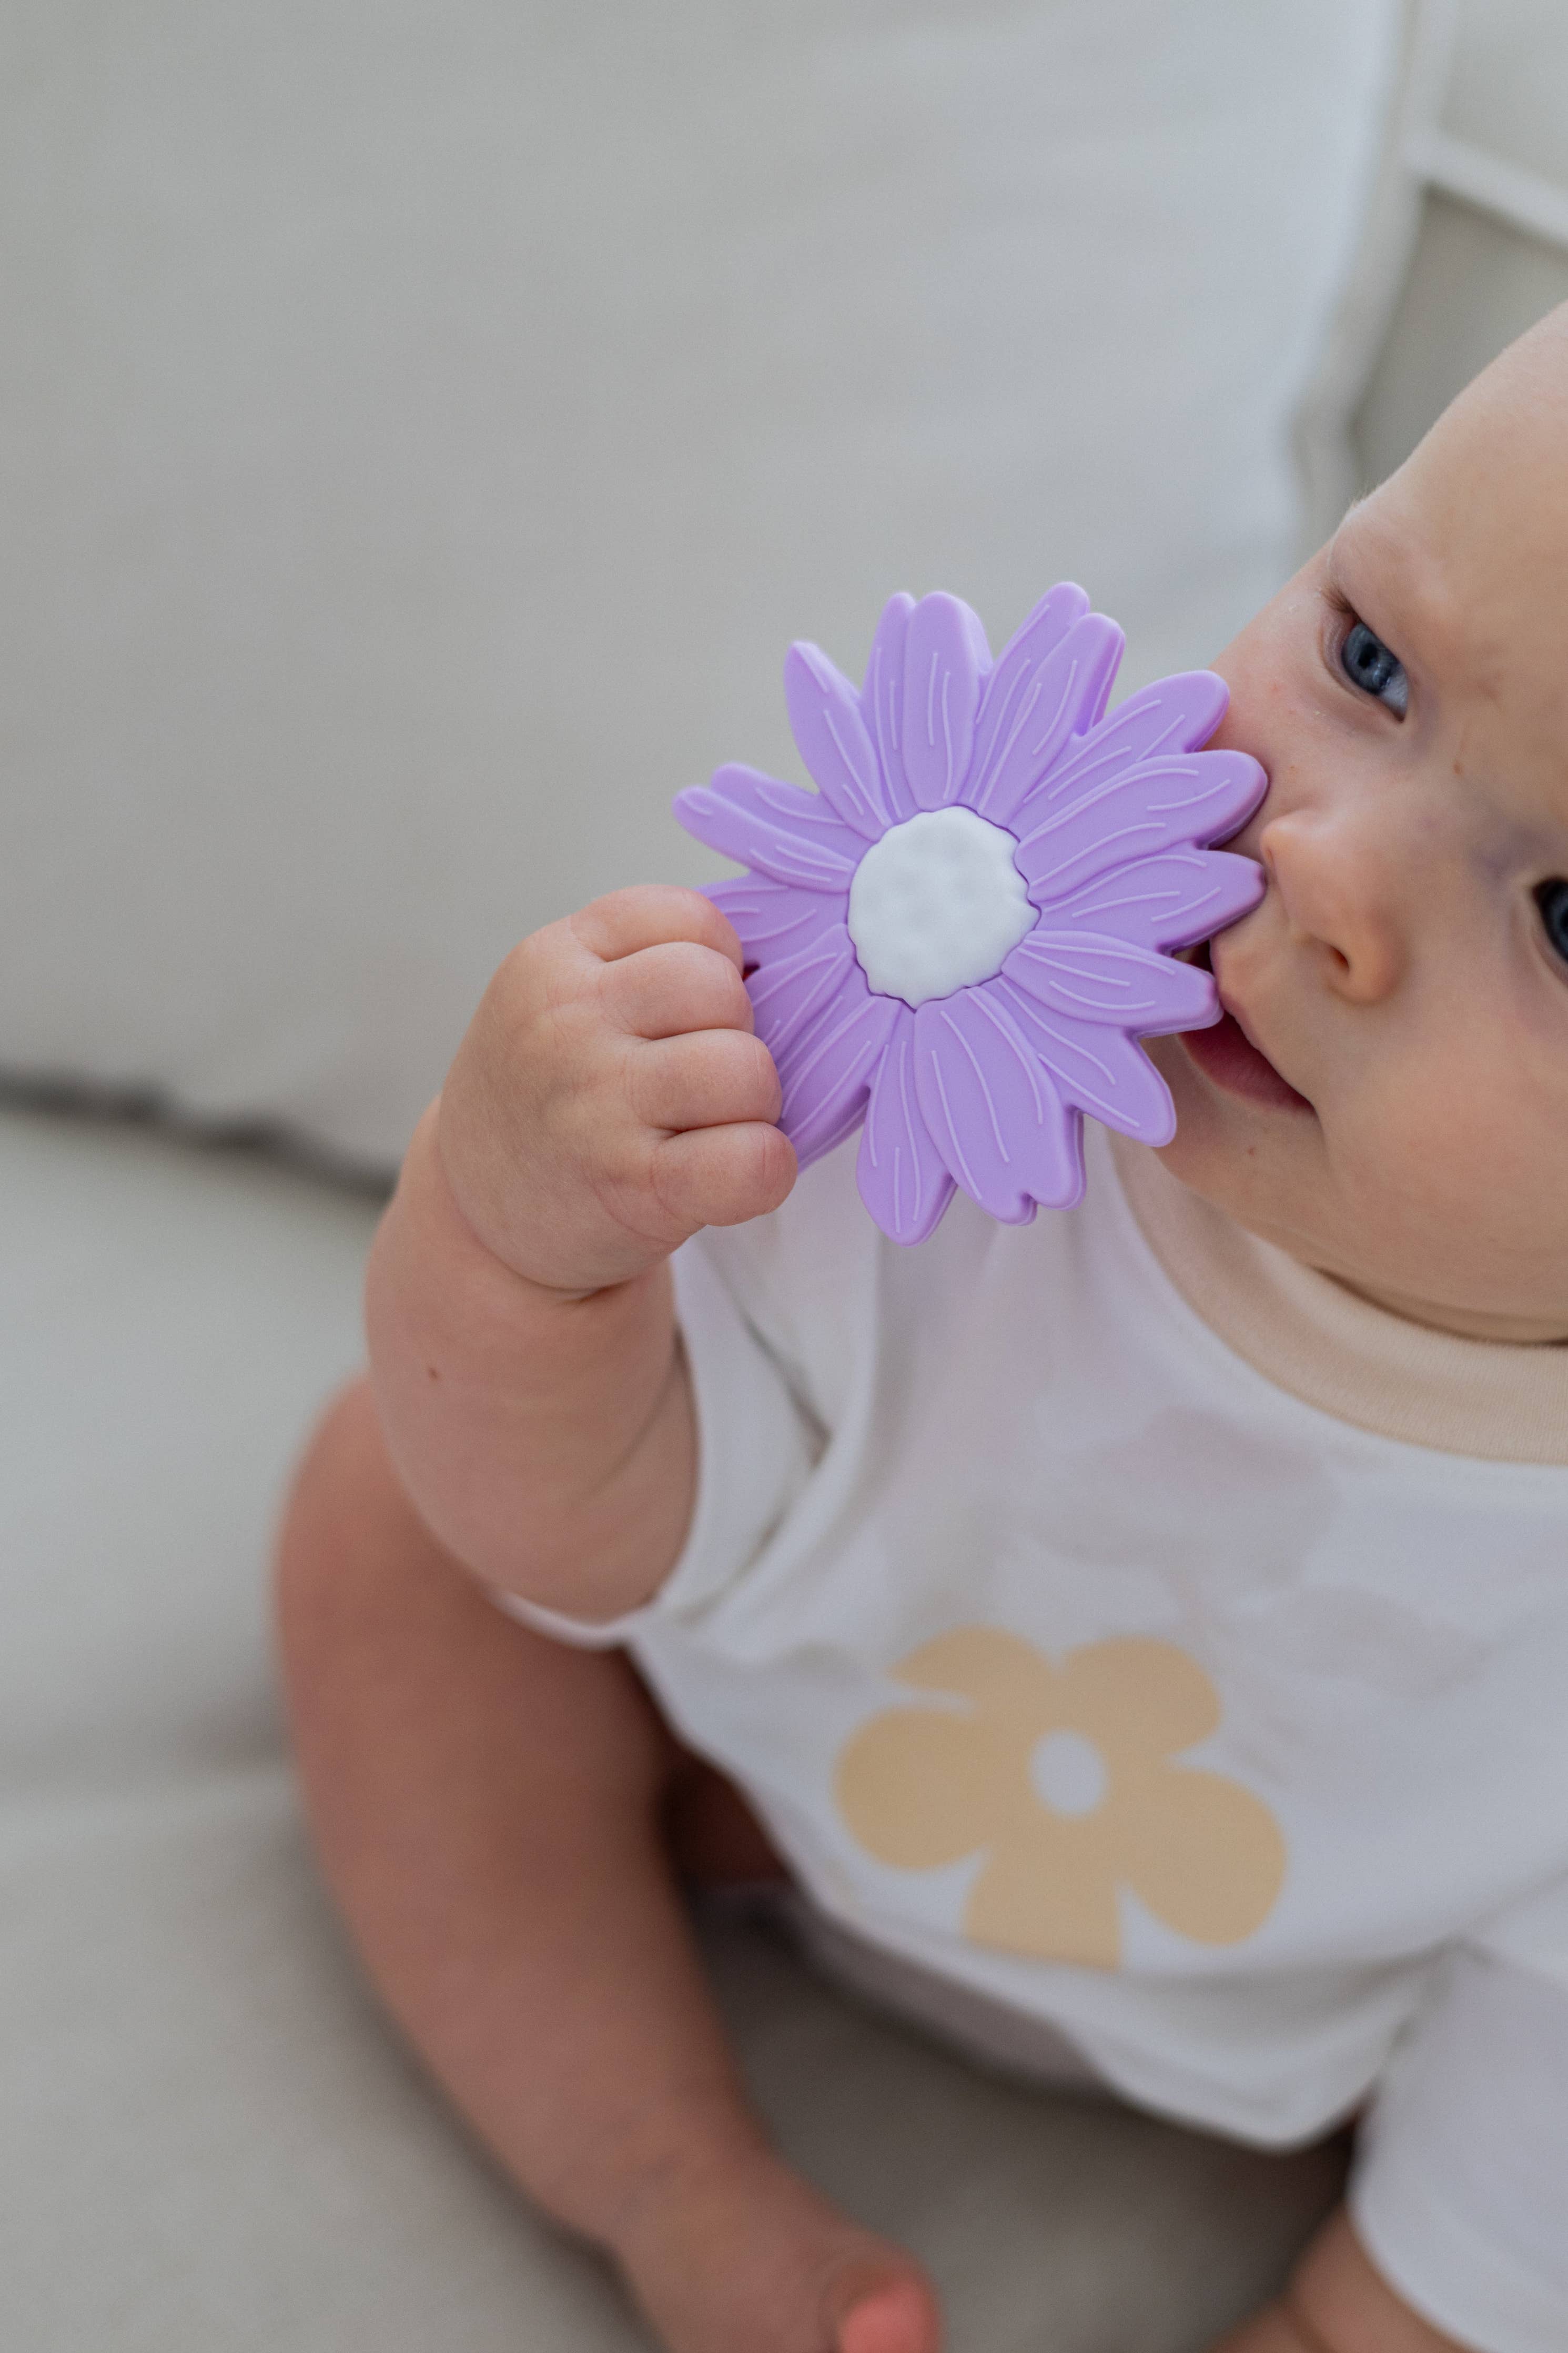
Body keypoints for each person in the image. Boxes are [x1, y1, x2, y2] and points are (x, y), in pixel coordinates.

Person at [275, 306, 1568, 2353]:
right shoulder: (975, 1099)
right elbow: (574, 1518)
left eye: (1564, 917)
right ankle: (666, 2177)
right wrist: (524, 1237)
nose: (1319, 860)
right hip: (780, 1740)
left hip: (1284, 2022)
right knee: (385, 1519)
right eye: (1367, 661)